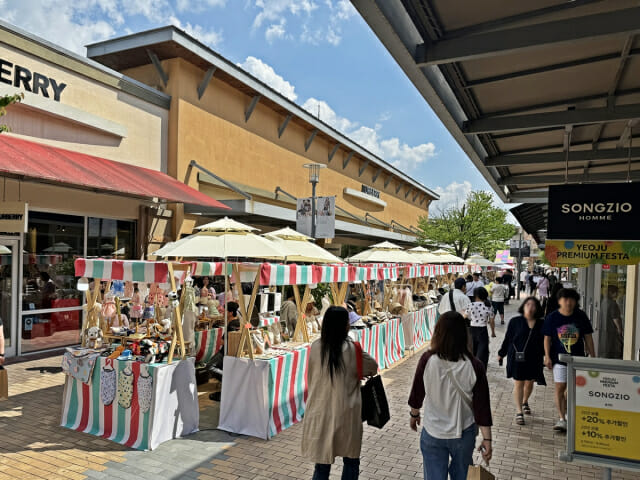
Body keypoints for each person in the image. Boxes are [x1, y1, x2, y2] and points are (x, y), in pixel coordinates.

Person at [409, 312, 493, 480]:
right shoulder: (474, 366)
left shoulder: (427, 360)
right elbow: (482, 407)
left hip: (433, 431)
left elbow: (417, 393)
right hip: (463, 433)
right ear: (464, 335)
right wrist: (487, 439)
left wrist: (414, 414)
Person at [301, 306, 377, 480]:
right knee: (351, 460)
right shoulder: (352, 348)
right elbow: (372, 366)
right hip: (347, 413)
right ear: (345, 326)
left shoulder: (315, 347)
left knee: (321, 464)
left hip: (321, 411)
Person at [542, 289, 595, 432]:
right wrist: (547, 356)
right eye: (565, 299)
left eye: (571, 299)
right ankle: (562, 419)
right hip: (558, 359)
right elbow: (547, 338)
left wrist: (593, 356)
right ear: (559, 301)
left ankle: (567, 413)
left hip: (577, 358)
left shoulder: (581, 316)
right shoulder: (552, 317)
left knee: (572, 389)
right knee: (560, 387)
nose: (568, 302)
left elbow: (588, 337)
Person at [498, 297, 546, 426]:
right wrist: (501, 354)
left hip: (534, 357)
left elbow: (546, 342)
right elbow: (508, 338)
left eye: (533, 305)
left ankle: (525, 401)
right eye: (528, 304)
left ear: (537, 308)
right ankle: (519, 412)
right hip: (517, 357)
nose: (530, 307)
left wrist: (547, 356)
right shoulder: (515, 321)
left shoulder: (542, 323)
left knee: (529, 382)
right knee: (519, 383)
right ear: (523, 307)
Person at [463, 287, 495, 369]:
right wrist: (493, 332)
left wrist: (462, 312)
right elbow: (491, 321)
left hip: (473, 330)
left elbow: (464, 316)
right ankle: (481, 370)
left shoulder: (470, 305)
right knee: (482, 353)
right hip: (483, 330)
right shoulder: (489, 306)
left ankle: (473, 369)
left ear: (475, 296)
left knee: (473, 350)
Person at [600, 285, 623, 359]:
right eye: (616, 292)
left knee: (605, 348)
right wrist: (620, 329)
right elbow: (615, 318)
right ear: (611, 293)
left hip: (604, 328)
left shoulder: (604, 301)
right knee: (612, 349)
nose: (617, 294)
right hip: (611, 330)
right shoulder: (613, 304)